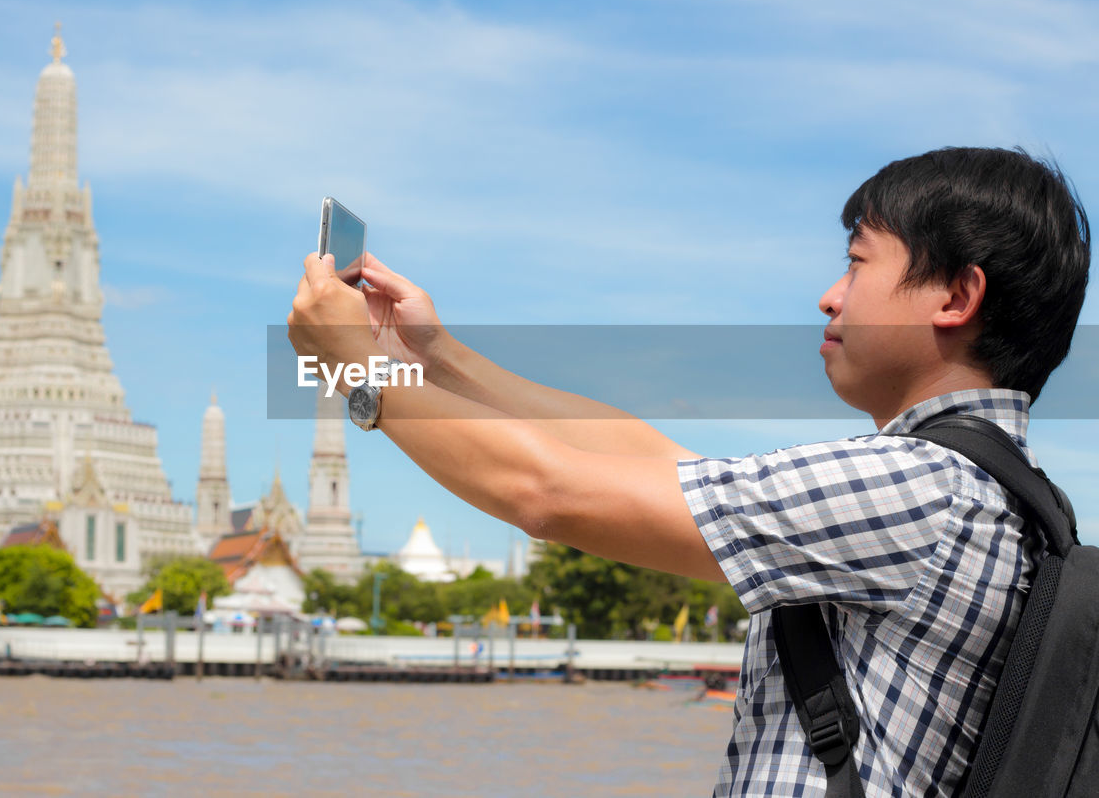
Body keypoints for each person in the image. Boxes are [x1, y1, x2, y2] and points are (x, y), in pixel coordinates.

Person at [288, 147, 1091, 796]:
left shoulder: (913, 488)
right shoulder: (995, 495)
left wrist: (361, 375)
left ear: (956, 295)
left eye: (856, 264)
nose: (828, 296)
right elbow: (645, 457)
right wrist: (439, 356)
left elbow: (547, 494)